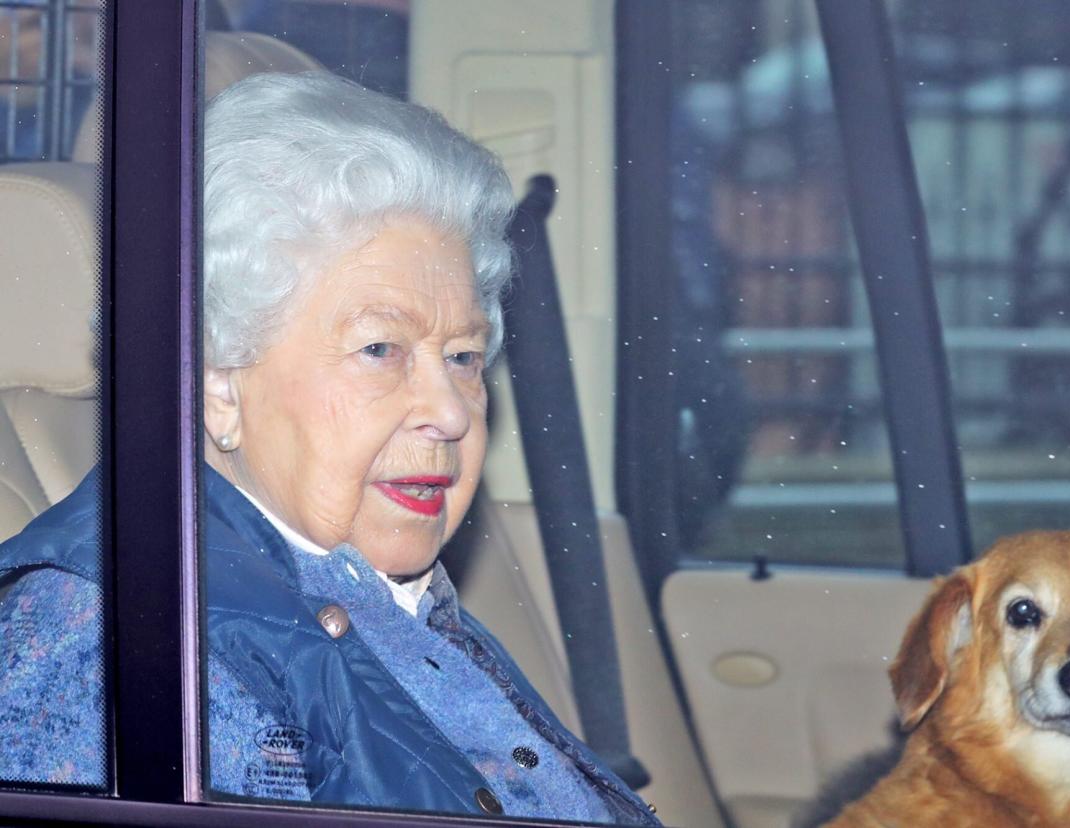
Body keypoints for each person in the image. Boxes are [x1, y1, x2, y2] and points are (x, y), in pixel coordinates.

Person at [0, 71, 659, 825]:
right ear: (216, 384)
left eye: (465, 357)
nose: (450, 411)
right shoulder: (126, 655)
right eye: (380, 347)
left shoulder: (382, 597)